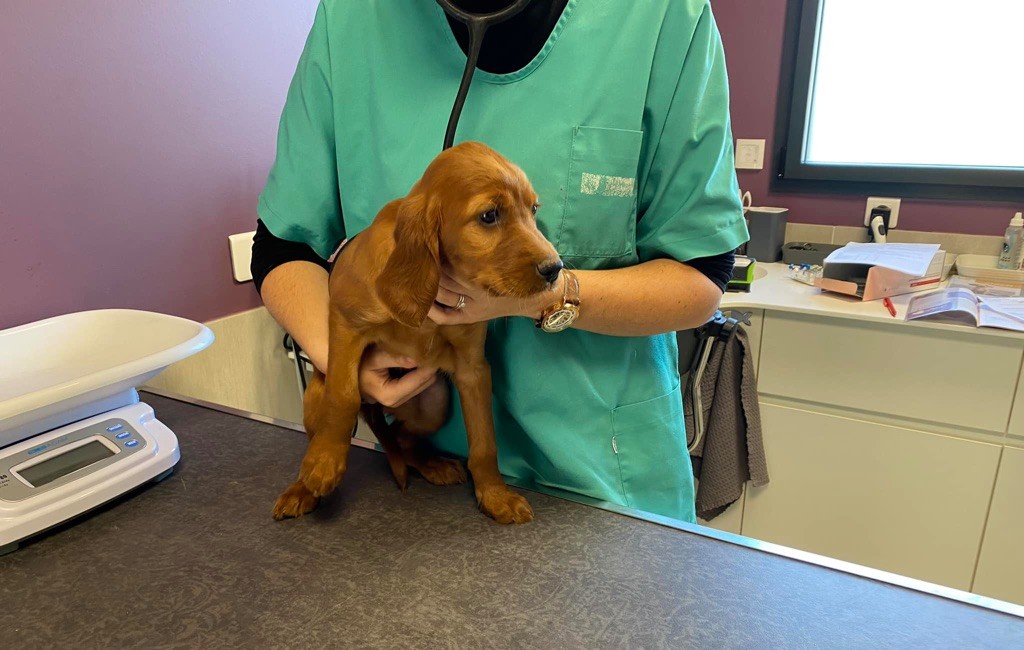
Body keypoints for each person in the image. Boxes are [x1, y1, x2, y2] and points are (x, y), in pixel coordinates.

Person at [251, 0, 748, 523]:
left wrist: (553, 296)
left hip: (606, 477)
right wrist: (347, 365)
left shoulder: (662, 15)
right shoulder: (352, 17)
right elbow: (285, 247)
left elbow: (703, 276)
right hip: (417, 487)